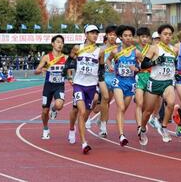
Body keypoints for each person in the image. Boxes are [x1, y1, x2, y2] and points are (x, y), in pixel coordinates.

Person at [64, 25, 106, 154]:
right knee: (81, 112)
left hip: (91, 86)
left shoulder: (100, 51)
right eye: (92, 33)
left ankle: (76, 129)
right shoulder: (78, 48)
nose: (94, 35)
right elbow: (69, 62)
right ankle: (83, 142)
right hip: (79, 85)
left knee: (84, 114)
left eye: (96, 33)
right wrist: (69, 76)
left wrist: (100, 84)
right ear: (86, 34)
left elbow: (101, 69)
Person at [138, 24, 178, 145]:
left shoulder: (174, 50)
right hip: (154, 82)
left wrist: (176, 74)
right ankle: (143, 128)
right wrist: (155, 61)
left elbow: (173, 65)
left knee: (171, 103)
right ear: (160, 35)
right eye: (165, 34)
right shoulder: (154, 48)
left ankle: (164, 127)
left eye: (170, 35)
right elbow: (143, 65)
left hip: (168, 82)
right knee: (147, 111)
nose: (167, 37)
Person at [106, 25, 144, 146]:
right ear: (121, 37)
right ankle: (121, 135)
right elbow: (108, 60)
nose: (128, 38)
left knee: (123, 109)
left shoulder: (136, 52)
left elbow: (144, 66)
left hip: (131, 83)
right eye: (125, 36)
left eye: (130, 36)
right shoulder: (115, 51)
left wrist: (137, 68)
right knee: (121, 107)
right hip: (118, 81)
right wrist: (110, 66)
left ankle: (122, 131)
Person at [34, 35, 67, 140]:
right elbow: (36, 71)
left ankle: (54, 109)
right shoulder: (47, 57)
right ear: (52, 44)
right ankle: (45, 129)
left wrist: (70, 78)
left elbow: (69, 72)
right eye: (57, 42)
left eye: (61, 42)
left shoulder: (65, 58)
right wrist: (43, 69)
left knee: (59, 105)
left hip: (59, 86)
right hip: (48, 87)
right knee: (44, 111)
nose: (60, 44)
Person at [97, 26, 118, 137]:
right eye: (110, 34)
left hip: (114, 79)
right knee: (105, 100)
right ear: (106, 36)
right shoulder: (101, 49)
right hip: (103, 77)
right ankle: (103, 127)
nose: (112, 37)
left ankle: (101, 120)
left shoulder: (119, 49)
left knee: (107, 104)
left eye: (114, 35)